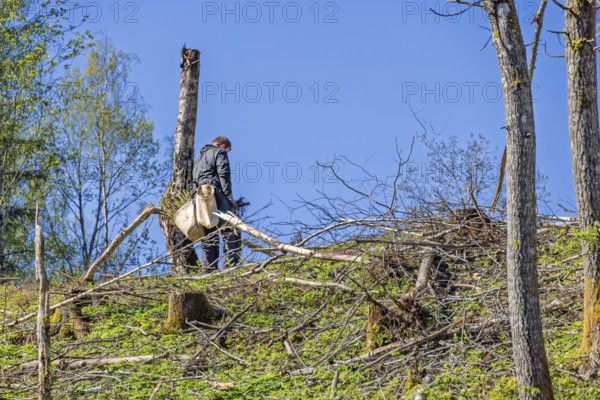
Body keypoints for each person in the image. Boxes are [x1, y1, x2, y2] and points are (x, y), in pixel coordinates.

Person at [193, 136, 241, 271]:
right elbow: (223, 173)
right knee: (232, 229)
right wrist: (229, 196)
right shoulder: (219, 153)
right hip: (215, 193)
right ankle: (229, 267)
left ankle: (209, 270)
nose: (226, 153)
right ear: (222, 146)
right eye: (227, 150)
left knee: (209, 234)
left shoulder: (197, 161)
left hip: (199, 197)